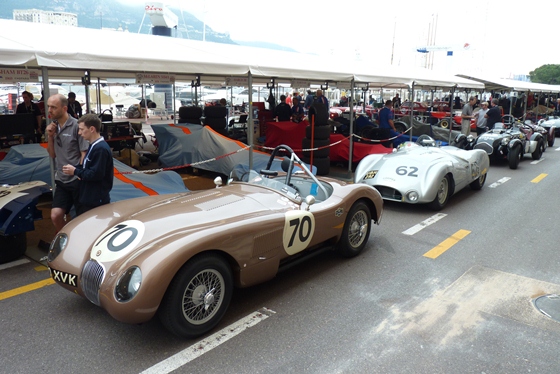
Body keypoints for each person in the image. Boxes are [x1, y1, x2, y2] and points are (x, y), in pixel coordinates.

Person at [46, 93, 89, 232]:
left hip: (76, 179)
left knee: (81, 217)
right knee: (55, 215)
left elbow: (84, 153)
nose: (49, 110)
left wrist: (79, 174)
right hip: (61, 180)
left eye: (53, 107)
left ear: (64, 108)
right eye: (48, 107)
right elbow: (52, 154)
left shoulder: (77, 126)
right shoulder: (53, 127)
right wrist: (50, 137)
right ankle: (66, 239)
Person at [62, 114, 113, 215]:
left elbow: (96, 174)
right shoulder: (93, 146)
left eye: (81, 129)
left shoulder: (100, 149)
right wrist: (77, 169)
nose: (79, 133)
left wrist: (75, 171)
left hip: (96, 200)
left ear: (92, 129)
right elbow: (88, 168)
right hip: (90, 197)